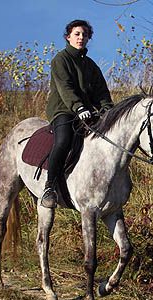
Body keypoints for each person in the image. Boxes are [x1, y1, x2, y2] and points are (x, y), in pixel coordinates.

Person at [41, 19, 113, 208]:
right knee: (63, 141)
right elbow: (65, 88)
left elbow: (101, 92)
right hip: (64, 110)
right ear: (68, 37)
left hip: (86, 112)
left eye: (85, 34)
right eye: (77, 34)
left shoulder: (91, 65)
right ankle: (49, 187)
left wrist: (108, 110)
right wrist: (79, 107)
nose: (81, 38)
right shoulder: (60, 59)